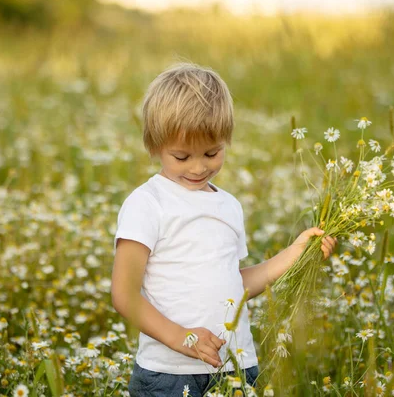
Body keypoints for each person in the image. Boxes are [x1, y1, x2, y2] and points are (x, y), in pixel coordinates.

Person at [111, 62, 337, 396]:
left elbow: (235, 283)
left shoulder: (228, 206)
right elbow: (124, 294)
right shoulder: (147, 203)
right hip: (169, 374)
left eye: (212, 152)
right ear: (154, 145)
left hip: (236, 366)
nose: (199, 166)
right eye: (182, 156)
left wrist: (295, 253)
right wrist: (183, 337)